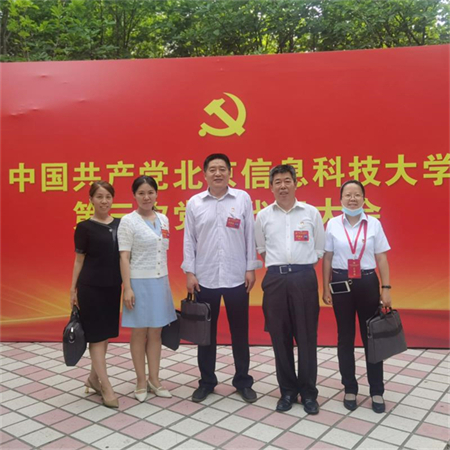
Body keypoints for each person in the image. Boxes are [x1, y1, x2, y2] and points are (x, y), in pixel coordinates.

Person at [182, 153, 261, 403]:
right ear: (204, 174)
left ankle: (243, 381)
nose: (218, 173)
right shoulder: (195, 203)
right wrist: (190, 272)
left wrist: (250, 268)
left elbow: (250, 234)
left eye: (222, 169)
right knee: (205, 334)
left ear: (229, 172)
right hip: (205, 277)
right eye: (212, 169)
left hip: (237, 276)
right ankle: (207, 382)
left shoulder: (242, 198)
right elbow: (189, 239)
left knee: (240, 332)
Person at [255, 164, 325, 414]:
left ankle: (308, 393)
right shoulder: (263, 216)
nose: (283, 186)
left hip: (304, 278)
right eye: (278, 182)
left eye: (287, 181)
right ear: (271, 187)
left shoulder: (311, 213)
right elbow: (262, 250)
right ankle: (287, 391)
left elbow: (319, 249)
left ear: (295, 183)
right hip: (275, 280)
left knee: (307, 337)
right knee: (280, 337)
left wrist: (298, 268)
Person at [322, 180, 391, 414]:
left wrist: (386, 288)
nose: (352, 199)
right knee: (345, 337)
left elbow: (381, 258)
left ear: (364, 198)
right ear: (340, 199)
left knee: (372, 338)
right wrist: (325, 287)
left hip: (368, 282)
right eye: (348, 195)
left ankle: (377, 390)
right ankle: (349, 387)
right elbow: (327, 258)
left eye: (357, 195)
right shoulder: (332, 224)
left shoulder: (374, 224)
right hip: (340, 283)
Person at [118, 176, 176, 402]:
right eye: (141, 193)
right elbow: (124, 256)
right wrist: (127, 288)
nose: (146, 197)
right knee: (139, 332)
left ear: (156, 194)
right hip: (138, 283)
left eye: (150, 192)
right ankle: (141, 381)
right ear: (134, 195)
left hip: (160, 282)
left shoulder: (163, 219)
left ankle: (155, 379)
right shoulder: (128, 221)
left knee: (156, 332)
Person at [70, 181, 121, 409]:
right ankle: (106, 387)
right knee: (97, 337)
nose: (104, 201)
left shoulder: (121, 224)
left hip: (113, 287)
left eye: (108, 196)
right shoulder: (84, 227)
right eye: (99, 196)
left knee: (105, 335)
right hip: (90, 288)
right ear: (90, 200)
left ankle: (92, 378)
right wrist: (73, 289)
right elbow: (79, 260)